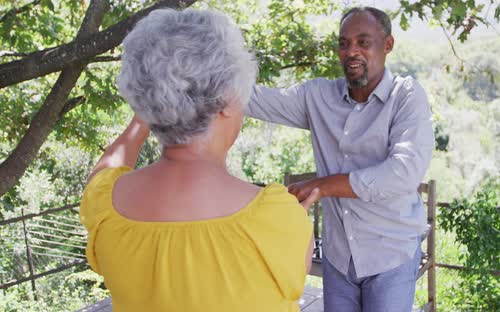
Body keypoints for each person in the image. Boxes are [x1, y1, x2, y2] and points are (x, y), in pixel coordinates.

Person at [80, 8, 318, 312]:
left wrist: (149, 108)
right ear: (227, 99)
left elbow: (105, 170)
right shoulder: (276, 216)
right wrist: (293, 219)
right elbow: (296, 271)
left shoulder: (105, 205)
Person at [246, 6, 435, 312]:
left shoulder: (407, 96)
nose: (351, 52)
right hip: (339, 256)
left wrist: (323, 186)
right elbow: (253, 100)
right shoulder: (317, 96)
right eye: (344, 43)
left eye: (363, 42)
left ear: (387, 45)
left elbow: (403, 173)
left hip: (392, 255)